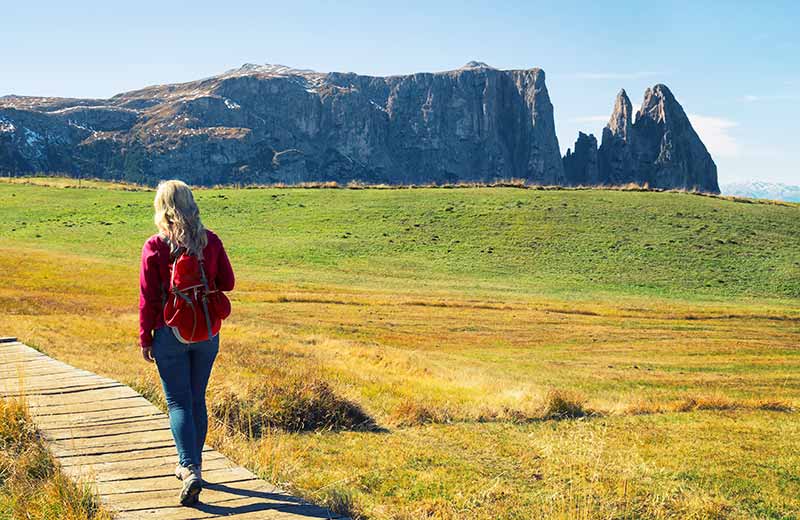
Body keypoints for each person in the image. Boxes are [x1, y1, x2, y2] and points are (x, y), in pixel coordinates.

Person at [138, 180, 234, 506]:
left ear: (162, 208)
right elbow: (229, 283)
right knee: (196, 400)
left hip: (170, 332)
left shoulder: (156, 246)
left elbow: (149, 299)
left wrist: (145, 338)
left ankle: (188, 466)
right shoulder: (211, 241)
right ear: (192, 204)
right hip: (206, 331)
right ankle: (196, 466)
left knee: (178, 403)